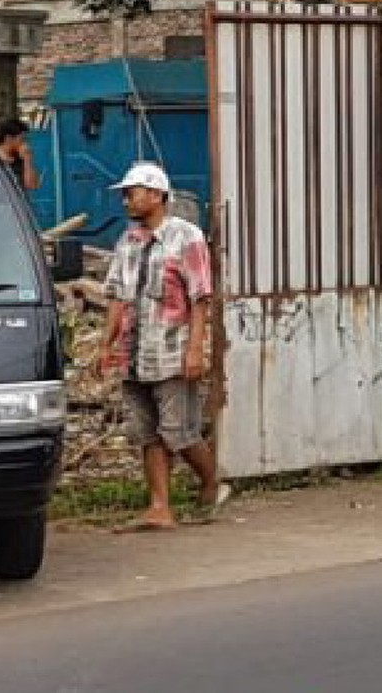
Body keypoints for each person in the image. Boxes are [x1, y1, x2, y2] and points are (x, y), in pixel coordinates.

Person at [97, 162, 228, 531]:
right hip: (134, 352)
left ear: (156, 195)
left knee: (179, 431)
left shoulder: (186, 237)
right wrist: (106, 345)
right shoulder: (128, 242)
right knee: (147, 432)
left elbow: (200, 296)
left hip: (171, 349)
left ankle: (210, 479)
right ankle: (160, 506)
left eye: (133, 192)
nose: (127, 200)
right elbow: (117, 298)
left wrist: (195, 349)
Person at [0, 119, 41, 191]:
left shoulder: (22, 159)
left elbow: (33, 186)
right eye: (22, 139)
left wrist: (27, 160)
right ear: (8, 138)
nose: (25, 143)